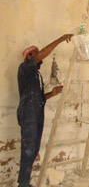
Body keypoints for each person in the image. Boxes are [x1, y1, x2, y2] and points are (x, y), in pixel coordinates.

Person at [17, 34, 73, 187]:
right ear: (28, 56)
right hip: (28, 113)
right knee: (28, 149)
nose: (39, 56)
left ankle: (24, 181)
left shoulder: (37, 75)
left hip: (37, 112)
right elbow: (42, 53)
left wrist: (52, 93)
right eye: (35, 53)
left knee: (33, 148)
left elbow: (40, 98)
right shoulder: (24, 69)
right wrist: (61, 39)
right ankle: (22, 183)